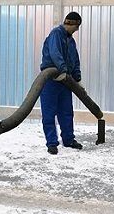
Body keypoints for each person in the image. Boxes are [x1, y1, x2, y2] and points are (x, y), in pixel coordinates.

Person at [40, 12, 84, 155]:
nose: (76, 30)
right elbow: (55, 53)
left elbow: (75, 60)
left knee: (66, 112)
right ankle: (52, 143)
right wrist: (63, 70)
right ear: (71, 23)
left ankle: (68, 139)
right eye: (76, 27)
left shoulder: (71, 41)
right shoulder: (56, 35)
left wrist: (77, 77)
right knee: (49, 113)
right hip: (51, 80)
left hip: (65, 81)